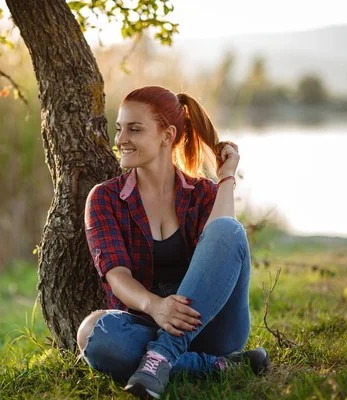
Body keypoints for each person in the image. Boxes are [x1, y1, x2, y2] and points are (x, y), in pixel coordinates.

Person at [78, 86, 270, 399]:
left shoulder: (203, 194)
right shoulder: (105, 198)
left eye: (134, 129)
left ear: (167, 135)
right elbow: (117, 276)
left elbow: (221, 240)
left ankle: (163, 356)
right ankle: (217, 367)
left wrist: (225, 180)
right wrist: (156, 306)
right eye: (119, 129)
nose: (120, 139)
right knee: (92, 334)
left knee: (230, 230)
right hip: (145, 327)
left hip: (213, 329)